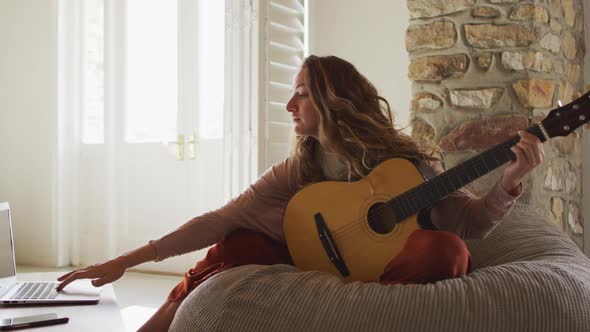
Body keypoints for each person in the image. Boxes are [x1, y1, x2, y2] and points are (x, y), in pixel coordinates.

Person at [56, 55, 544, 331]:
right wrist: (126, 259)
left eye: (302, 93)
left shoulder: (411, 165)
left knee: (445, 247)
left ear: (335, 101)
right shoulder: (300, 166)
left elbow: (472, 224)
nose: (290, 105)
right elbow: (220, 219)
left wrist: (507, 184)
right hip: (316, 262)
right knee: (239, 243)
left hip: (380, 279)